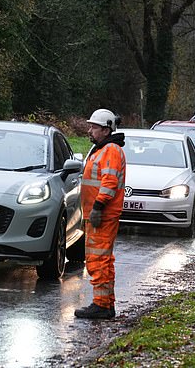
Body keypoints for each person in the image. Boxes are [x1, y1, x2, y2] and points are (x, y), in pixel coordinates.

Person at [74, 109, 126, 319]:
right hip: (99, 213)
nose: (90, 131)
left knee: (98, 260)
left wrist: (97, 207)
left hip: (102, 215)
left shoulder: (110, 150)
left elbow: (109, 182)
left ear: (106, 129)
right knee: (103, 259)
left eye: (94, 127)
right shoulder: (104, 149)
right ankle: (105, 303)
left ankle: (102, 305)